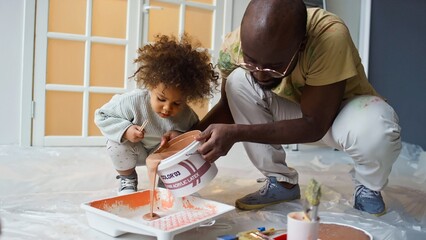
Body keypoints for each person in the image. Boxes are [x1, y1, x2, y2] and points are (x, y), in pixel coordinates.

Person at [195, 0, 401, 216]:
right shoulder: (234, 45)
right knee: (238, 81)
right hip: (297, 110)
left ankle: (368, 186)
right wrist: (187, 140)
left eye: (274, 67)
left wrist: (236, 133)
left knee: (377, 126)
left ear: (301, 44)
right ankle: (281, 183)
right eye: (251, 61)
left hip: (343, 114)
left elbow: (315, 125)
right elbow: (228, 105)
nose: (261, 74)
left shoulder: (329, 35)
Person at [95, 34, 219, 195]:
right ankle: (128, 179)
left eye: (177, 103)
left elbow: (194, 142)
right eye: (161, 99)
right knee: (115, 144)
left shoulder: (188, 116)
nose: (167, 108)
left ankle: (166, 183)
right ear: (151, 86)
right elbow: (102, 115)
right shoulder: (133, 102)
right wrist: (126, 130)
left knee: (181, 154)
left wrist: (180, 136)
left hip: (160, 155)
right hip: (135, 151)